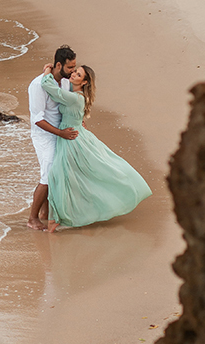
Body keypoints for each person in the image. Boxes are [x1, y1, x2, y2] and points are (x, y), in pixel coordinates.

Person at [40, 63, 151, 230]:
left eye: (78, 75)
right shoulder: (74, 92)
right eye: (75, 72)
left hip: (72, 139)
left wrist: (47, 71)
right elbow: (63, 84)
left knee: (60, 174)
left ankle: (56, 218)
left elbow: (48, 87)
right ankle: (54, 216)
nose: (74, 75)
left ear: (84, 82)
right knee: (64, 175)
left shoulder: (75, 97)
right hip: (72, 134)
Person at [26, 45, 78, 231]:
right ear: (58, 65)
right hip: (44, 135)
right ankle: (32, 218)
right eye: (70, 67)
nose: (73, 71)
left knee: (58, 172)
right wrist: (60, 133)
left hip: (61, 132)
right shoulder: (38, 85)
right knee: (48, 173)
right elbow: (37, 119)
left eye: (74, 67)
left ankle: (45, 214)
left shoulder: (64, 82)